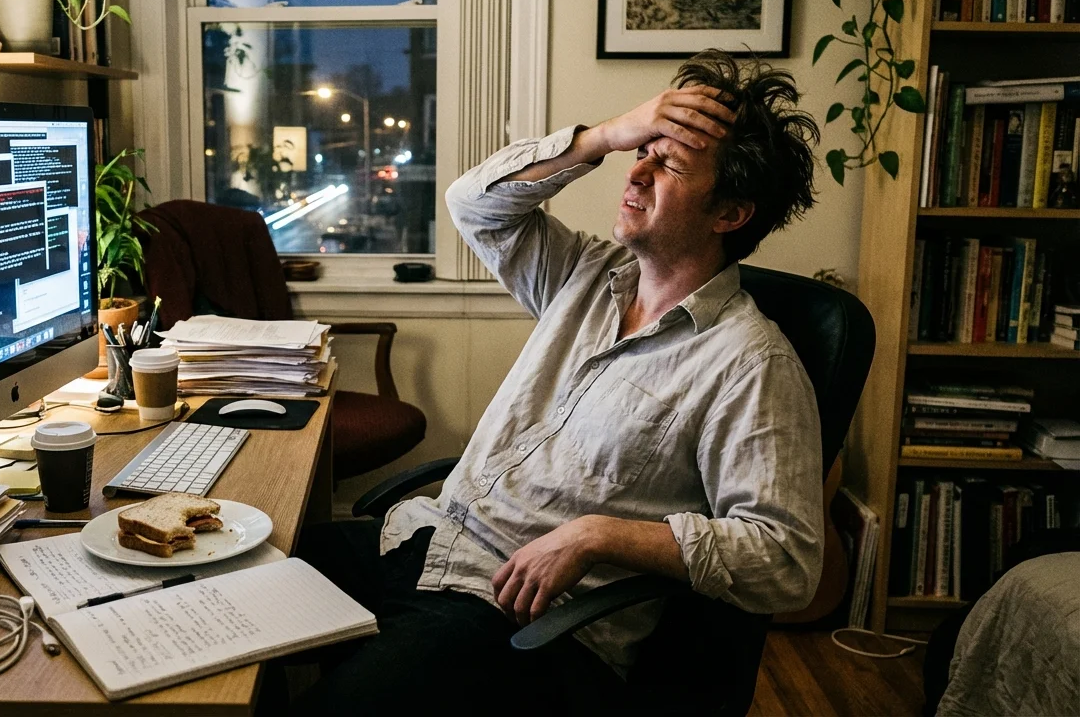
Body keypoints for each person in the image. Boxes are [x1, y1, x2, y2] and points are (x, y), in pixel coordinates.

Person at [287, 49, 824, 714]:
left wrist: (600, 535)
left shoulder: (750, 364)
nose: (639, 171)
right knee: (226, 578)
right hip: (423, 543)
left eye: (669, 163)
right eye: (643, 150)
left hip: (519, 621)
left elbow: (787, 559)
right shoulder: (587, 276)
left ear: (730, 214)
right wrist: (606, 134)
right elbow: (473, 204)